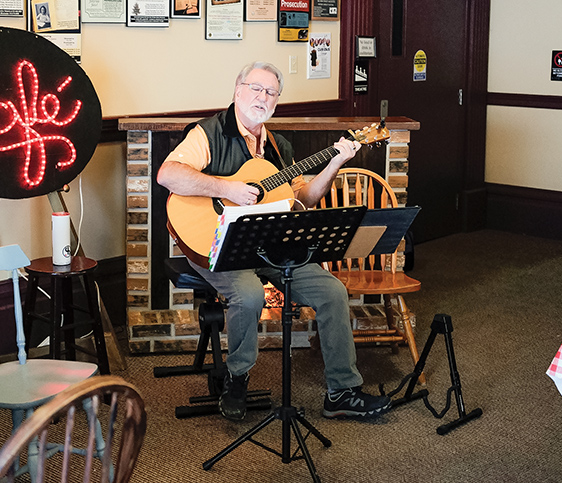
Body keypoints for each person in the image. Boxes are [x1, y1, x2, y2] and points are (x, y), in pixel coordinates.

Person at [156, 61, 391, 421]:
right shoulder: (208, 133)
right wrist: (225, 187)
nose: (261, 97)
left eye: (270, 92)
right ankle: (237, 378)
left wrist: (335, 163)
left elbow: (305, 198)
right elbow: (168, 174)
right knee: (248, 294)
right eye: (255, 88)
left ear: (277, 101)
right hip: (217, 244)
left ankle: (341, 391)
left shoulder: (280, 147)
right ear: (237, 90)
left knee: (332, 292)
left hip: (270, 242)